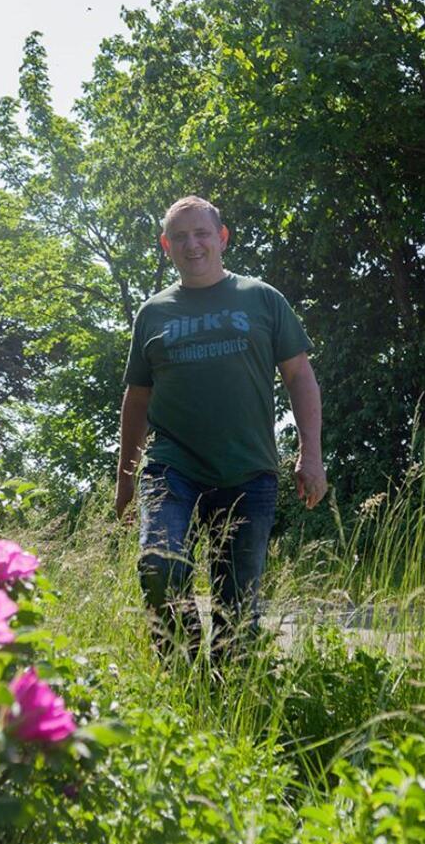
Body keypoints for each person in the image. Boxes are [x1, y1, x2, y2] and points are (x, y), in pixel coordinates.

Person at [114, 195, 327, 663]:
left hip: (248, 470)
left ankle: (225, 692)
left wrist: (310, 454)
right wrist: (126, 480)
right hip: (172, 466)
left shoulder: (261, 298)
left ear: (222, 238)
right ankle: (183, 668)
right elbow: (138, 398)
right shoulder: (153, 312)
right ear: (166, 246)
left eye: (202, 234)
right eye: (181, 237)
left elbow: (299, 376)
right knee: (158, 567)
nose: (193, 244)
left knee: (237, 612)